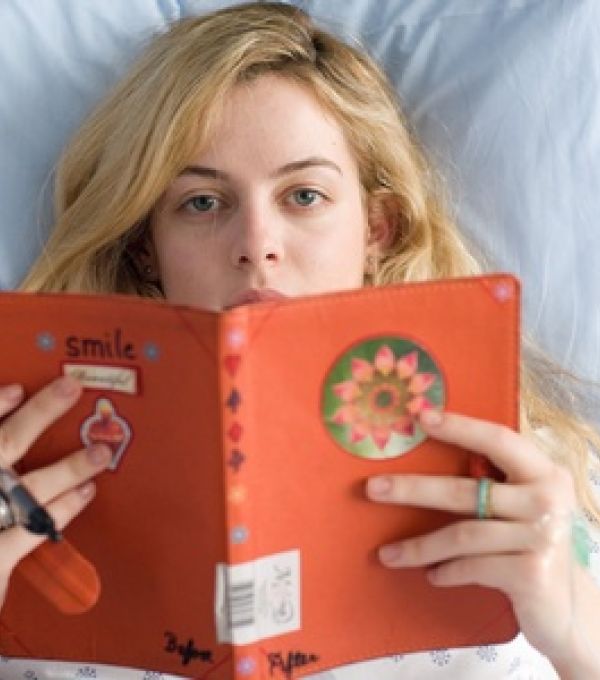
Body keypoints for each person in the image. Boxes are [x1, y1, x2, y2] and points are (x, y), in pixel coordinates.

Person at [1, 2, 600, 678]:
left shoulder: (538, 480)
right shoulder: (22, 479)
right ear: (147, 250)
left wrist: (578, 637)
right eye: (203, 202)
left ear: (378, 230)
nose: (257, 246)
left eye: (304, 196)